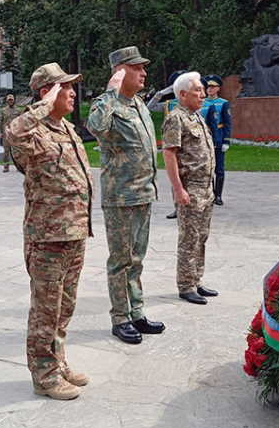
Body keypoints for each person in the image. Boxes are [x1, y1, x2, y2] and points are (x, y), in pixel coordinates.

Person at [6, 62, 93, 400]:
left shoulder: (66, 128)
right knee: (46, 310)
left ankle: (57, 362)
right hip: (47, 238)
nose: (72, 93)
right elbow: (14, 133)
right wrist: (43, 105)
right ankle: (44, 375)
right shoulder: (33, 131)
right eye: (64, 87)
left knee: (64, 307)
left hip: (74, 233)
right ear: (47, 92)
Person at [87, 46, 165, 345]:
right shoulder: (106, 103)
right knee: (121, 260)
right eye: (137, 68)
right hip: (121, 196)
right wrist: (111, 91)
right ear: (120, 72)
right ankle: (120, 317)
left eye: (143, 67)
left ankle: (136, 311)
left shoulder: (138, 104)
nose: (143, 73)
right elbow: (95, 128)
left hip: (144, 192)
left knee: (137, 259)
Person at [162, 72, 219, 305]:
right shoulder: (176, 118)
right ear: (183, 94)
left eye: (203, 90)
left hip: (206, 188)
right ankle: (185, 285)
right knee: (189, 238)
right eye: (198, 90)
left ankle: (196, 279)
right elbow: (169, 154)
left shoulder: (196, 116)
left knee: (202, 236)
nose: (203, 94)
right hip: (190, 188)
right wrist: (178, 188)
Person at [147, 69, 188, 219]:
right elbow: (150, 107)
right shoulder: (169, 104)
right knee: (176, 176)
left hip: (190, 145)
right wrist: (162, 93)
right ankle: (178, 207)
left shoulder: (193, 103)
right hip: (174, 146)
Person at [200, 75, 232, 205]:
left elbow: (227, 123)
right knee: (208, 168)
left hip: (218, 137)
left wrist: (226, 141)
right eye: (208, 87)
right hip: (204, 137)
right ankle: (211, 194)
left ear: (218, 88)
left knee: (219, 168)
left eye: (213, 87)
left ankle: (218, 195)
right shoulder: (202, 102)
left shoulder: (223, 103)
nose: (210, 89)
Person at [0, 94, 22, 172]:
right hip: (6, 134)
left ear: (14, 101)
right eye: (9, 100)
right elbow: (0, 121)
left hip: (15, 134)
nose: (10, 101)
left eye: (11, 100)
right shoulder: (3, 110)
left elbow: (21, 121)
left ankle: (18, 166)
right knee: (6, 150)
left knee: (17, 151)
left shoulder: (18, 110)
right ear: (7, 101)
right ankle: (6, 166)